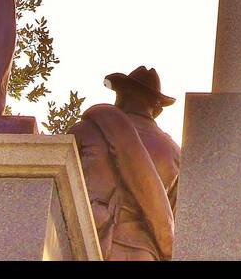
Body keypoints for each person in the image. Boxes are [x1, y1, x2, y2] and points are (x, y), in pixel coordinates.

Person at [69, 66, 181, 261]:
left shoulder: (85, 130)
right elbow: (174, 220)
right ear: (157, 107)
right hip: (143, 253)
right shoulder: (173, 153)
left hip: (82, 242)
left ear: (121, 95)